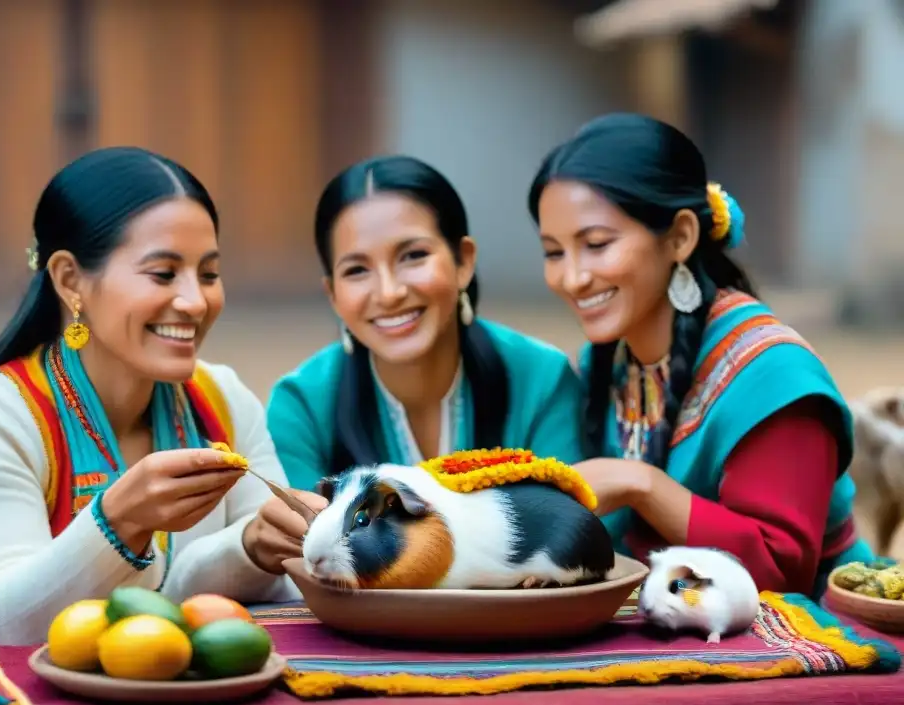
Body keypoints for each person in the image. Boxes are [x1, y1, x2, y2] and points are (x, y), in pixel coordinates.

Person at [0, 147, 323, 645]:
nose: (195, 301)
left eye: (208, 274)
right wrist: (118, 520)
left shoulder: (221, 398)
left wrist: (255, 547)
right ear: (70, 280)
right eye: (163, 273)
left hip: (173, 689)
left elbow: (277, 589)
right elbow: (3, 625)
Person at [527, 113, 873, 598]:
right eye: (554, 252)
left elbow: (781, 573)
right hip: (666, 626)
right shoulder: (602, 364)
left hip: (814, 635)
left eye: (597, 244)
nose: (573, 278)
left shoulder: (773, 375)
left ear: (681, 236)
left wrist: (642, 485)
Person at [266, 155, 584, 491]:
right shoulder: (300, 407)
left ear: (464, 261)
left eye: (413, 255)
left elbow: (578, 530)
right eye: (357, 270)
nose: (389, 293)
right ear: (333, 294)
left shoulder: (541, 380)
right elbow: (299, 539)